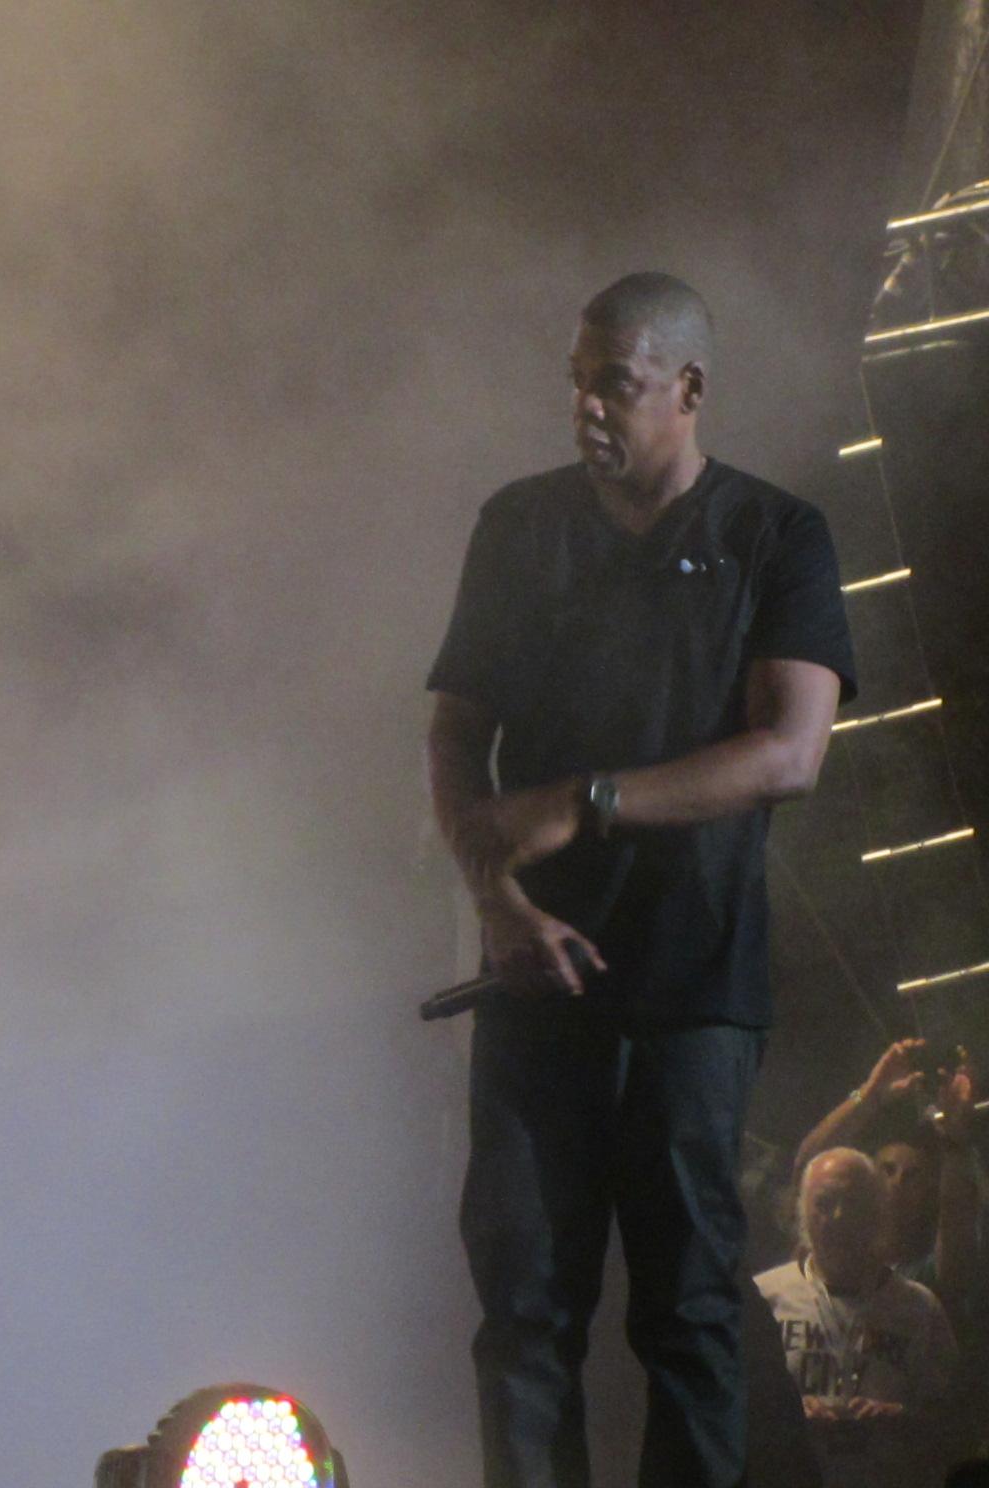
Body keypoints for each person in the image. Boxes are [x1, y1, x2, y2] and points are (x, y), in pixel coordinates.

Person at [426, 272, 857, 1488]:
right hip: (531, 979)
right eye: (575, 383)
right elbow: (454, 734)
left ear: (687, 387)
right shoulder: (519, 526)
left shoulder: (773, 534)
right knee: (522, 1315)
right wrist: (496, 902)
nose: (586, 411)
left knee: (686, 1315)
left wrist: (584, 799)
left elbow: (792, 752)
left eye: (612, 384)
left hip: (692, 990)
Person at [756, 1149, 959, 1488]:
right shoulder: (765, 1299)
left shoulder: (919, 1309)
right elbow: (722, 1407)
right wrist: (786, 1415)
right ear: (802, 1213)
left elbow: (954, 1420)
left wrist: (901, 1418)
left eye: (852, 1204)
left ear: (878, 1214)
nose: (837, 1217)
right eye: (824, 1203)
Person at [793, 1040, 980, 1322]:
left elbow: (956, 1242)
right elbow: (810, 1168)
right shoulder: (831, 1247)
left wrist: (955, 1142)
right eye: (887, 1170)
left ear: (931, 1192)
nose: (897, 1183)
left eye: (912, 1175)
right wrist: (870, 1094)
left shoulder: (922, 1279)